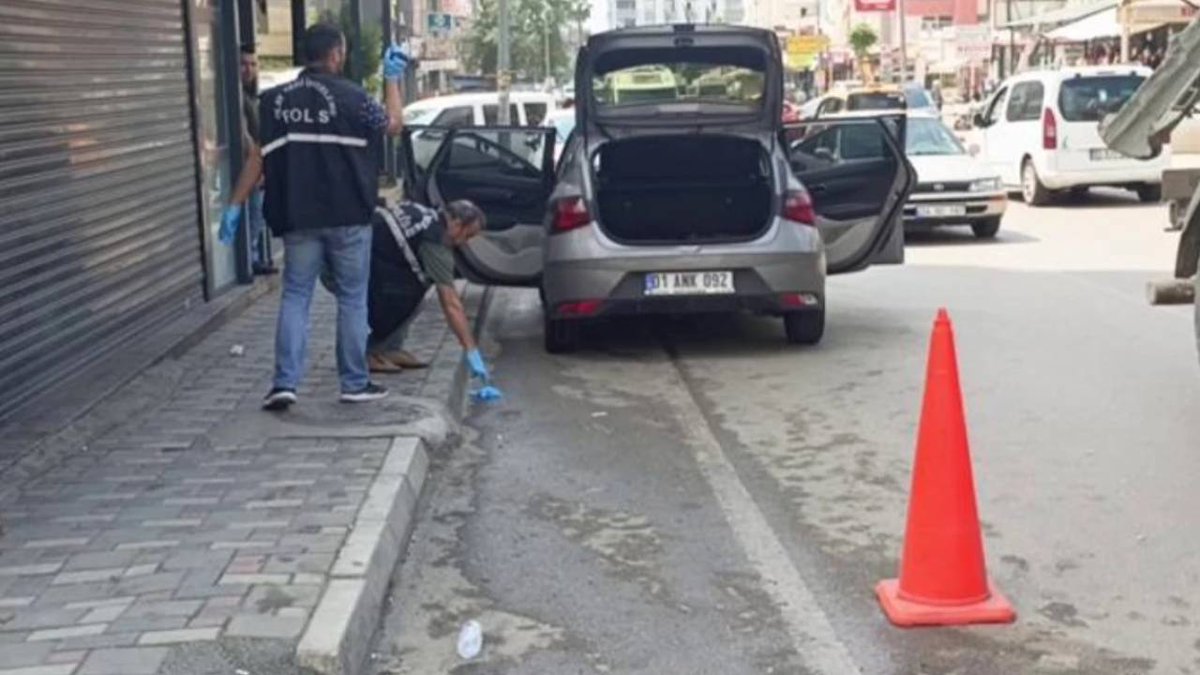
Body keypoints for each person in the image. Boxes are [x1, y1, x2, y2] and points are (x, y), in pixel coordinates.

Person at [220, 23, 409, 411]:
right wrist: (392, 80)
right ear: (336, 55)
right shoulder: (355, 99)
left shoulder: (274, 102)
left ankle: (284, 384)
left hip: (299, 217)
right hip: (349, 218)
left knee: (295, 296)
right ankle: (354, 382)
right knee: (353, 300)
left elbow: (258, 157)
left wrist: (235, 204)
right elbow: (393, 126)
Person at [354, 200, 491, 380]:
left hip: (357, 253)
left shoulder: (426, 213)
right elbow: (451, 303)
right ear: (456, 224)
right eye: (467, 235)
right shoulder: (435, 240)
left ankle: (390, 349)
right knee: (409, 294)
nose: (464, 243)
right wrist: (471, 350)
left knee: (414, 284)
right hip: (353, 269)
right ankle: (370, 354)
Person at [238, 43, 277, 275]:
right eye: (243, 64)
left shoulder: (251, 95)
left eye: (253, 64)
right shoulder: (236, 96)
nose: (248, 69)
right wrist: (258, 166)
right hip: (246, 165)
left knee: (257, 213)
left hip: (253, 164)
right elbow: (244, 136)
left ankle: (254, 256)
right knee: (253, 214)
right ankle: (251, 259)